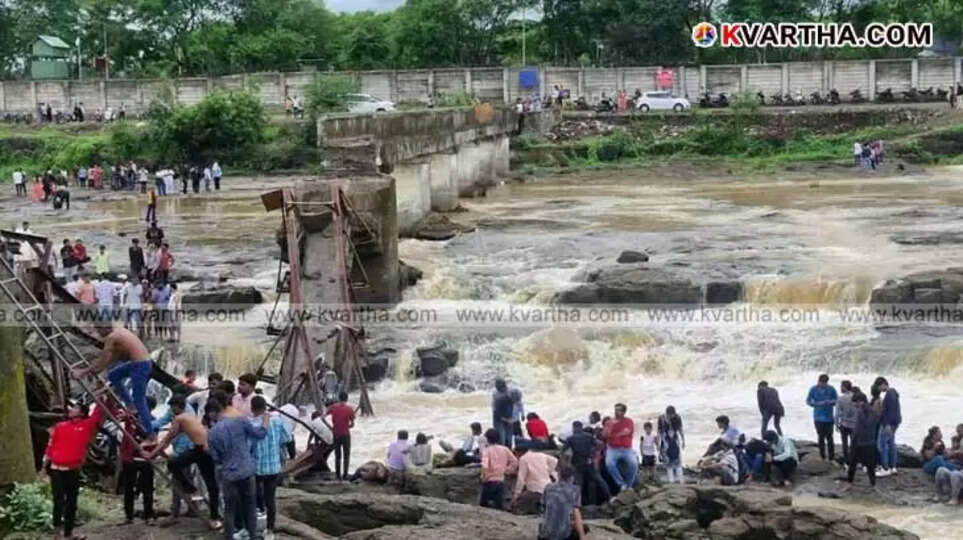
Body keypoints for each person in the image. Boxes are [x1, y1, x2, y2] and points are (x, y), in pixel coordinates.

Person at [71, 323, 155, 438]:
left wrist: (83, 372)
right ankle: (130, 405)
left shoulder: (112, 337)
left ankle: (151, 435)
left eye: (98, 330)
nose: (98, 334)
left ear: (104, 327)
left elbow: (104, 357)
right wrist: (96, 369)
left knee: (139, 400)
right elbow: (112, 358)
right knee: (113, 375)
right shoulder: (119, 332)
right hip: (139, 363)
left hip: (140, 365)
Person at [206, 397, 269, 540]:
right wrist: (266, 420)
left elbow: (215, 458)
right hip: (247, 470)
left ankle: (229, 537)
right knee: (250, 506)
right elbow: (260, 435)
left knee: (230, 509)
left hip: (229, 473)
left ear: (212, 413)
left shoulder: (212, 433)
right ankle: (252, 536)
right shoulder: (241, 421)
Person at [43, 401, 105, 540]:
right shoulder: (59, 426)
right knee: (58, 501)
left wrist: (103, 395)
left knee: (72, 501)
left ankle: (69, 533)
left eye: (76, 408)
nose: (72, 409)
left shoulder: (86, 425)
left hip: (73, 469)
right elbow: (50, 447)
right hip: (57, 469)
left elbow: (98, 413)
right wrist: (43, 467)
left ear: (82, 413)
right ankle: (57, 534)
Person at [251, 396, 290, 540]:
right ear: (265, 407)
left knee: (252, 498)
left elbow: (248, 446)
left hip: (256, 468)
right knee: (270, 500)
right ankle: (270, 530)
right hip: (274, 467)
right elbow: (286, 439)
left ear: (252, 408)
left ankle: (251, 528)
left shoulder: (251, 424)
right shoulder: (278, 421)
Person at [120, 397, 157, 525]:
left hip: (146, 458)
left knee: (148, 488)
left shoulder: (153, 422)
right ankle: (128, 515)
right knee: (128, 488)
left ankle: (149, 515)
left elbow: (154, 441)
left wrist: (148, 450)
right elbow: (119, 416)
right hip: (130, 458)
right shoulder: (130, 418)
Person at [563, 421, 609, 505]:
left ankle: (576, 505)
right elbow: (601, 444)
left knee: (578, 485)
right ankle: (608, 498)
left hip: (577, 465)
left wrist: (567, 463)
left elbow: (565, 452)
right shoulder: (588, 436)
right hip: (589, 462)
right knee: (599, 480)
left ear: (573, 428)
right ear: (581, 427)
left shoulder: (570, 439)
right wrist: (594, 453)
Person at [538, 465, 586, 540]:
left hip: (545, 533)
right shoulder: (575, 490)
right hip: (563, 535)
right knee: (584, 529)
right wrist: (582, 536)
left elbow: (543, 508)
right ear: (572, 477)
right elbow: (576, 513)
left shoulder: (548, 487)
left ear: (558, 475)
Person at [843, 388, 878, 489]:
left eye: (856, 403)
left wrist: (860, 412)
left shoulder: (872, 412)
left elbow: (867, 424)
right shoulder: (860, 411)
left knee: (870, 465)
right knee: (852, 462)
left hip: (868, 442)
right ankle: (849, 482)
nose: (855, 406)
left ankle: (873, 484)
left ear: (861, 402)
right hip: (857, 440)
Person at [479, 428, 518, 510]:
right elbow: (515, 462)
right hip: (501, 480)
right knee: (498, 505)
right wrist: (507, 470)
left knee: (483, 505)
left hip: (489, 481)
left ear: (487, 439)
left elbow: (485, 466)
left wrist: (483, 477)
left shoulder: (487, 451)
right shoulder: (505, 449)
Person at [603, 403, 637, 492]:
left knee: (633, 463)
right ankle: (621, 484)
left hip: (626, 449)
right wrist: (611, 426)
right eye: (615, 409)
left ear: (623, 412)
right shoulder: (609, 422)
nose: (616, 412)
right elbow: (605, 435)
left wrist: (613, 435)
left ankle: (629, 485)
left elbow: (626, 432)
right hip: (613, 449)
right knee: (609, 463)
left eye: (619, 410)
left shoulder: (629, 421)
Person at [324, 391, 356, 480]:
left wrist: (330, 427)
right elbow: (352, 424)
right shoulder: (349, 409)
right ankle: (345, 474)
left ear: (339, 398)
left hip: (336, 433)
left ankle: (338, 475)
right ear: (347, 399)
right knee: (346, 455)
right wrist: (348, 426)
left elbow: (323, 417)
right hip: (345, 434)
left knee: (337, 455)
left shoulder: (333, 407)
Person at [806, 373, 838, 461]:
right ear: (818, 381)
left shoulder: (831, 389)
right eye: (822, 382)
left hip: (829, 418)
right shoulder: (813, 389)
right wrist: (815, 404)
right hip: (818, 417)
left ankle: (831, 456)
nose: (823, 384)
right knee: (820, 437)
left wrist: (830, 402)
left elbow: (836, 400)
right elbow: (808, 401)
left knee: (830, 437)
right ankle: (822, 455)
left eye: (825, 383)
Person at [875, 376, 901, 477]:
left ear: (883, 384)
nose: (879, 389)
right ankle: (893, 467)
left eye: (879, 386)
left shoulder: (889, 394)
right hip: (894, 422)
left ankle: (885, 467)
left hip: (888, 423)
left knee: (882, 444)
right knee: (891, 444)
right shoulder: (893, 393)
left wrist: (888, 424)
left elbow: (890, 411)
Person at [836, 380, 858, 463]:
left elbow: (837, 413)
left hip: (844, 424)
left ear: (844, 388)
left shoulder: (841, 398)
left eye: (841, 386)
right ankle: (854, 461)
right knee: (854, 444)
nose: (840, 388)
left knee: (844, 444)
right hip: (855, 424)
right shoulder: (856, 397)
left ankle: (847, 462)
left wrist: (836, 424)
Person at [492, 378, 515, 448]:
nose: (497, 388)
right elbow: (495, 410)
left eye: (499, 387)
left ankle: (509, 450)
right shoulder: (495, 394)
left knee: (509, 437)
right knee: (501, 437)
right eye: (497, 387)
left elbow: (515, 405)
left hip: (508, 415)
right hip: (499, 417)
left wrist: (512, 418)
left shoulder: (511, 392)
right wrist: (504, 419)